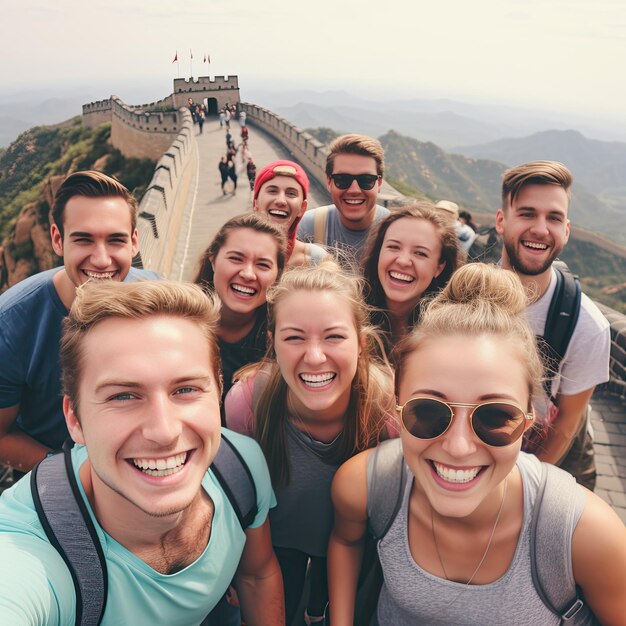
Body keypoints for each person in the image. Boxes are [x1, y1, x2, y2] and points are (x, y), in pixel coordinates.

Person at [328, 263, 626, 626]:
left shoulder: (584, 536)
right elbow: (345, 542)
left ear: (529, 419)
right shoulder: (368, 486)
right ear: (397, 407)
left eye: (494, 416)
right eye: (429, 411)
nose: (458, 446)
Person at [0, 280, 284, 624]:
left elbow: (257, 574)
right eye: (123, 395)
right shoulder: (32, 550)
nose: (164, 432)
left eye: (186, 389)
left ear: (219, 393)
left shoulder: (240, 466)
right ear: (74, 419)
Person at [225, 260, 395, 626]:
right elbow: (234, 501)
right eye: (294, 337)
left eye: (334, 336)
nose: (314, 356)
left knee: (320, 606)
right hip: (272, 542)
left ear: (362, 343)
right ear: (272, 343)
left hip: (351, 546)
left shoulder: (385, 409)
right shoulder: (247, 403)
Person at [0, 170, 158, 476]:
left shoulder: (155, 300)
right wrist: (81, 473)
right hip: (52, 473)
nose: (101, 260)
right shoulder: (12, 325)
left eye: (115, 240)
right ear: (58, 240)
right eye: (84, 239)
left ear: (134, 242)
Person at [495, 161, 610, 490]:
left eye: (554, 218)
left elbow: (565, 428)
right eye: (528, 213)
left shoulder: (586, 326)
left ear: (567, 231)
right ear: (502, 221)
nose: (541, 229)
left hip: (554, 459)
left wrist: (513, 490)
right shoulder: (472, 297)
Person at [194, 213, 287, 404]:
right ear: (213, 259)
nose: (248, 274)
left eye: (263, 265)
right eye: (236, 259)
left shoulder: (285, 339)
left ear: (277, 275)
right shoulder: (179, 325)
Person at [361, 202, 462, 355]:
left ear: (439, 267)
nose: (403, 261)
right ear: (379, 252)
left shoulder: (449, 339)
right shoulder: (350, 316)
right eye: (394, 247)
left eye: (420, 253)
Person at [297, 134, 390, 266]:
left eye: (366, 180)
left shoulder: (396, 233)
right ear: (329, 182)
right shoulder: (308, 228)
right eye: (342, 179)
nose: (354, 190)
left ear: (379, 183)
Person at [253, 160, 326, 267]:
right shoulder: (230, 252)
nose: (281, 201)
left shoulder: (316, 260)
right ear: (256, 203)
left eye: (291, 193)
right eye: (272, 191)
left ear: (302, 208)